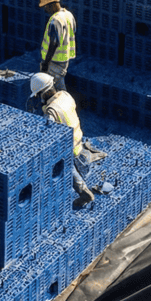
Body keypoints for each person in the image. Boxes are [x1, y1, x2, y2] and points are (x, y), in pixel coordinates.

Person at [30, 72, 96, 209]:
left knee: (65, 165)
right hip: (79, 139)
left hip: (70, 148)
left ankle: (84, 193)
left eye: (39, 95)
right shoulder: (66, 95)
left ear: (44, 93)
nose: (39, 98)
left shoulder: (51, 111)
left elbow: (47, 133)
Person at [38, 0, 76, 92]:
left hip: (54, 60)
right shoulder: (69, 15)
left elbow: (54, 43)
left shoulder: (55, 21)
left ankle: (60, 106)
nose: (45, 9)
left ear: (52, 4)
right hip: (64, 58)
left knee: (53, 87)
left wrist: (46, 63)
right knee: (58, 84)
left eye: (46, 6)